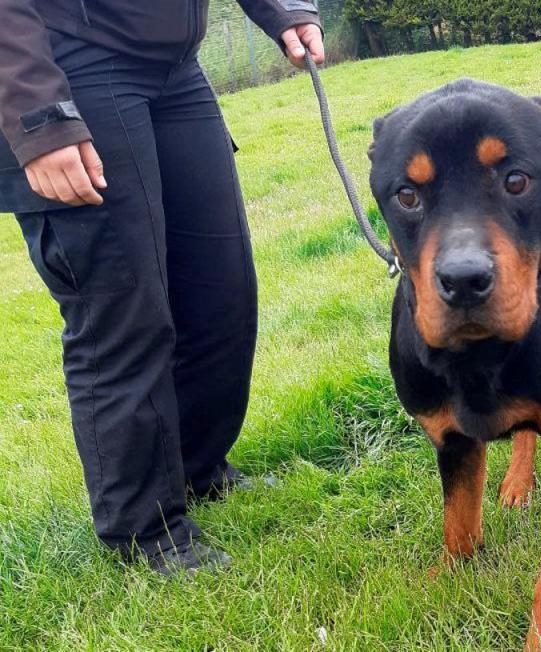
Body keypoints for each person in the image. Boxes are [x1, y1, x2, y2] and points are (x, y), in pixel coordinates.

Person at [0, 1, 325, 575]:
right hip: (68, 60)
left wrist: (285, 10)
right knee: (124, 309)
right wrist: (38, 115)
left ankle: (198, 468)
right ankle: (144, 529)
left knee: (220, 289)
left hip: (176, 66)